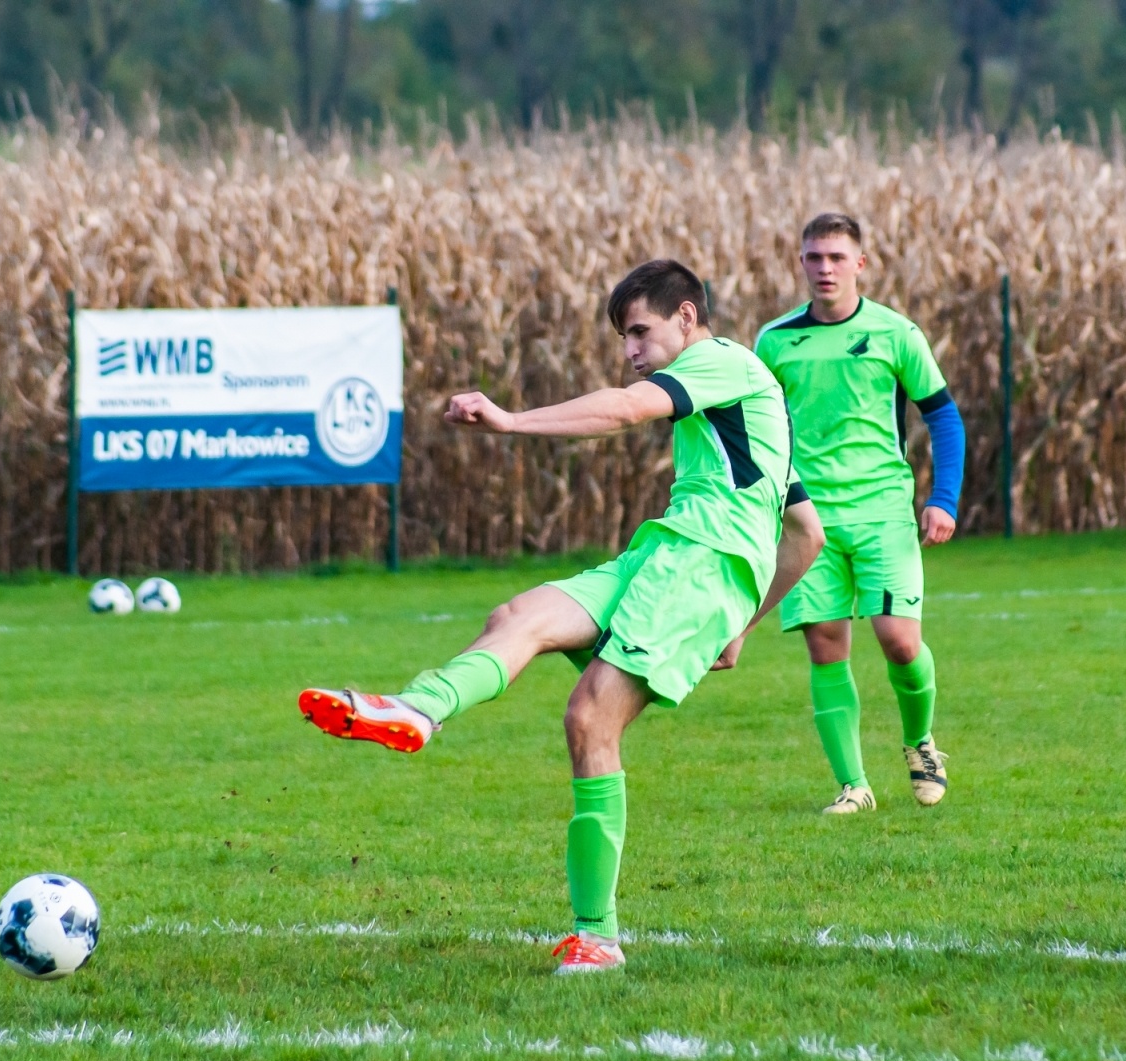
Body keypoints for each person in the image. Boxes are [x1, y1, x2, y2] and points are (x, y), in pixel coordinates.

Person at [297, 259, 825, 973]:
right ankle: (420, 708)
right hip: (666, 555)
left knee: (589, 719)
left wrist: (511, 421)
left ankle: (597, 936)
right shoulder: (743, 415)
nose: (631, 351)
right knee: (521, 613)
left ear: (688, 319)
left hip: (702, 563)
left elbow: (626, 407)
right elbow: (805, 536)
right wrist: (742, 622)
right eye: (624, 338)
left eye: (640, 332)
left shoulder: (726, 363)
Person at [754, 213, 966, 816]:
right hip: (806, 520)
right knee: (826, 644)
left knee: (900, 643)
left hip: (882, 513)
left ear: (861, 264)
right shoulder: (774, 341)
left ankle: (921, 743)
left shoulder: (896, 333)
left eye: (837, 258)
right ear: (800, 263)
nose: (825, 268)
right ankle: (854, 786)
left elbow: (944, 418)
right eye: (814, 257)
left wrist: (943, 499)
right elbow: (759, 427)